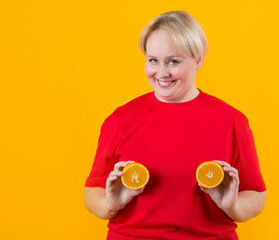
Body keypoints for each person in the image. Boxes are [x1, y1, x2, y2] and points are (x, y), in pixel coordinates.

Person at [84, 11, 267, 240]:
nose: (161, 73)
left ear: (198, 58)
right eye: (153, 60)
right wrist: (110, 203)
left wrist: (232, 206)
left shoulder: (232, 121)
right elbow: (92, 191)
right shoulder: (119, 120)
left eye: (173, 61)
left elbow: (256, 194)